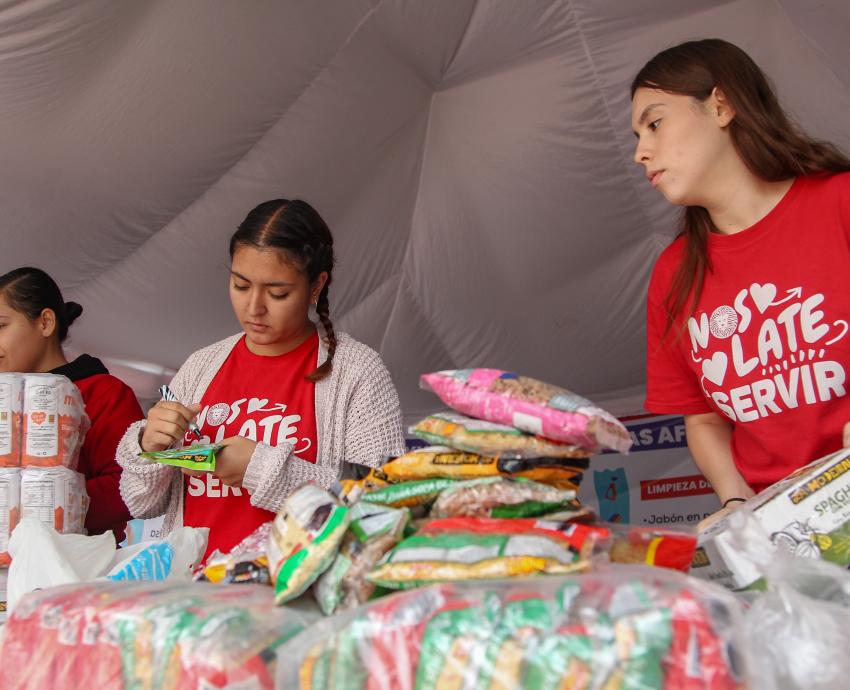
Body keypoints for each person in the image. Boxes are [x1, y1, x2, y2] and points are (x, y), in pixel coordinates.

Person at [117, 199, 405, 560]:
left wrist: (260, 468)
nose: (254, 308)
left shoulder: (357, 372)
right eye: (240, 285)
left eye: (277, 293)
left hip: (293, 598)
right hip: (194, 593)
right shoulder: (201, 365)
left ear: (316, 285)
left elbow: (379, 506)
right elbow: (140, 503)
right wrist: (149, 446)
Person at [632, 38, 850, 509]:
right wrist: (735, 503)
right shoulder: (673, 274)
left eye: (655, 124)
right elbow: (704, 419)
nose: (641, 153)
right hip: (784, 537)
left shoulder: (841, 203)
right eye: (638, 137)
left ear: (721, 106)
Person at [0, 267, 141, 540]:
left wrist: (39, 504)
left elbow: (127, 486)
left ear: (45, 323)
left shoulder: (104, 392)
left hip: (77, 566)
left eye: (0, 326)